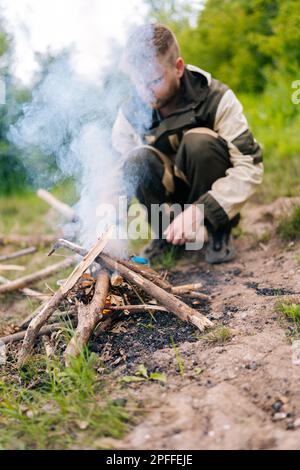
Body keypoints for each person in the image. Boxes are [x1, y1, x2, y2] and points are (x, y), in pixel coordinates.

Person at [111, 23, 263, 263]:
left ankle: (217, 233)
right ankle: (165, 236)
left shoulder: (216, 98)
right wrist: (105, 224)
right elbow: (116, 177)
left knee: (199, 143)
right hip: (169, 198)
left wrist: (201, 210)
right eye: (138, 82)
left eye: (153, 81)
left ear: (178, 67)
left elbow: (250, 166)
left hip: (212, 198)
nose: (145, 92)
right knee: (136, 160)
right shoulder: (130, 113)